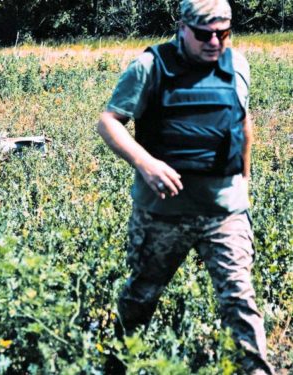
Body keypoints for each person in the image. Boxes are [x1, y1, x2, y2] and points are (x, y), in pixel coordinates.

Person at [97, 0, 274, 373]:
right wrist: (145, 163)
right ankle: (114, 366)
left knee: (240, 300)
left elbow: (242, 123)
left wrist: (244, 185)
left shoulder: (237, 65)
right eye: (204, 34)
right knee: (141, 297)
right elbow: (109, 121)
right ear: (182, 28)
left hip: (223, 210)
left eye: (223, 33)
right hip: (163, 213)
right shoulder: (149, 66)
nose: (215, 42)